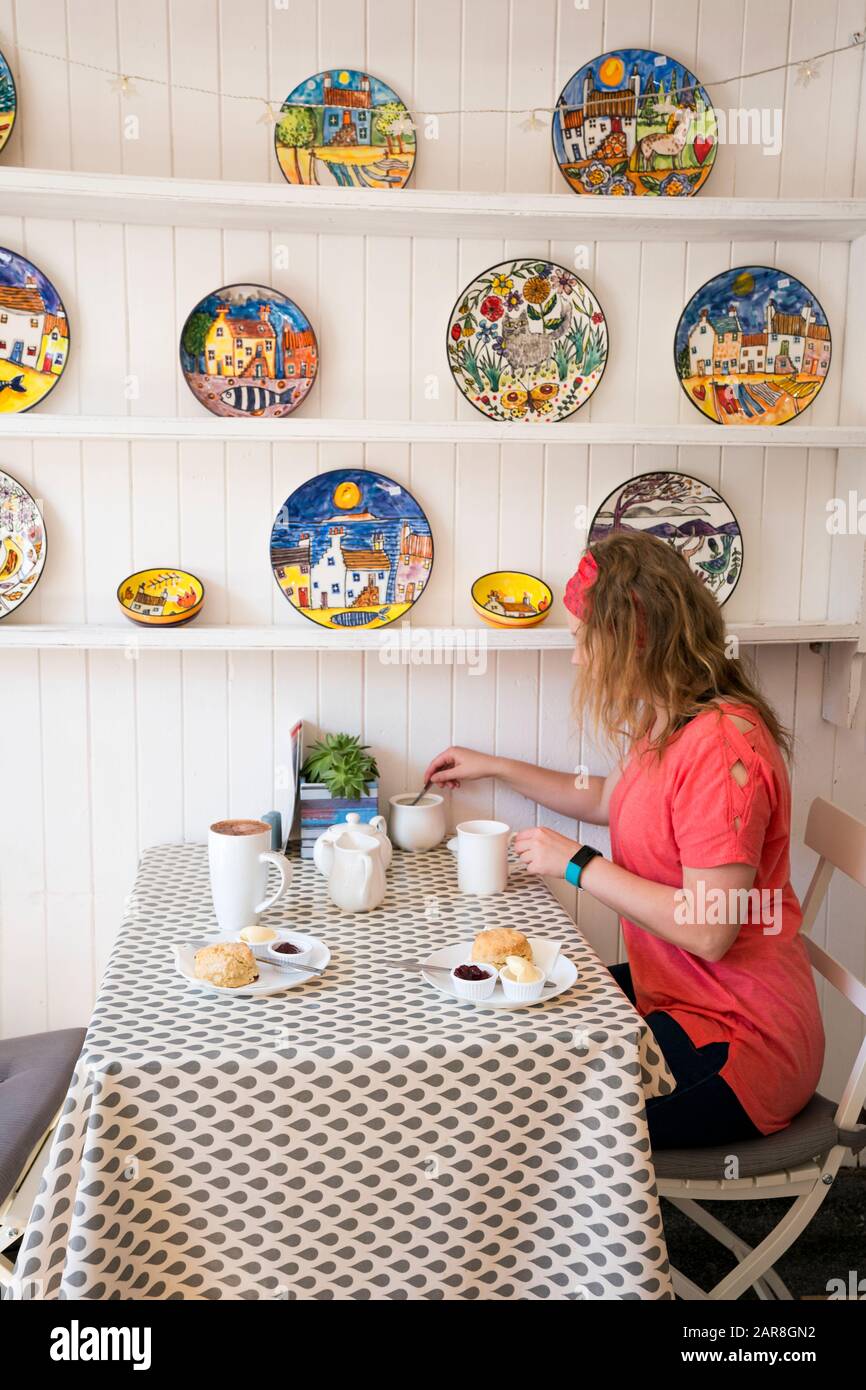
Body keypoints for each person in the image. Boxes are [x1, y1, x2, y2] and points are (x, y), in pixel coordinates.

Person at [423, 531, 824, 1149]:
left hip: (739, 1045)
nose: (580, 658)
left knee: (515, 1099)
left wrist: (579, 863)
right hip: (677, 997)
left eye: (587, 640)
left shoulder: (721, 750)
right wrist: (495, 765)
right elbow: (612, 800)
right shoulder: (674, 716)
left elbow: (709, 930)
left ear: (636, 639)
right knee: (505, 1024)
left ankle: (565, 1245)